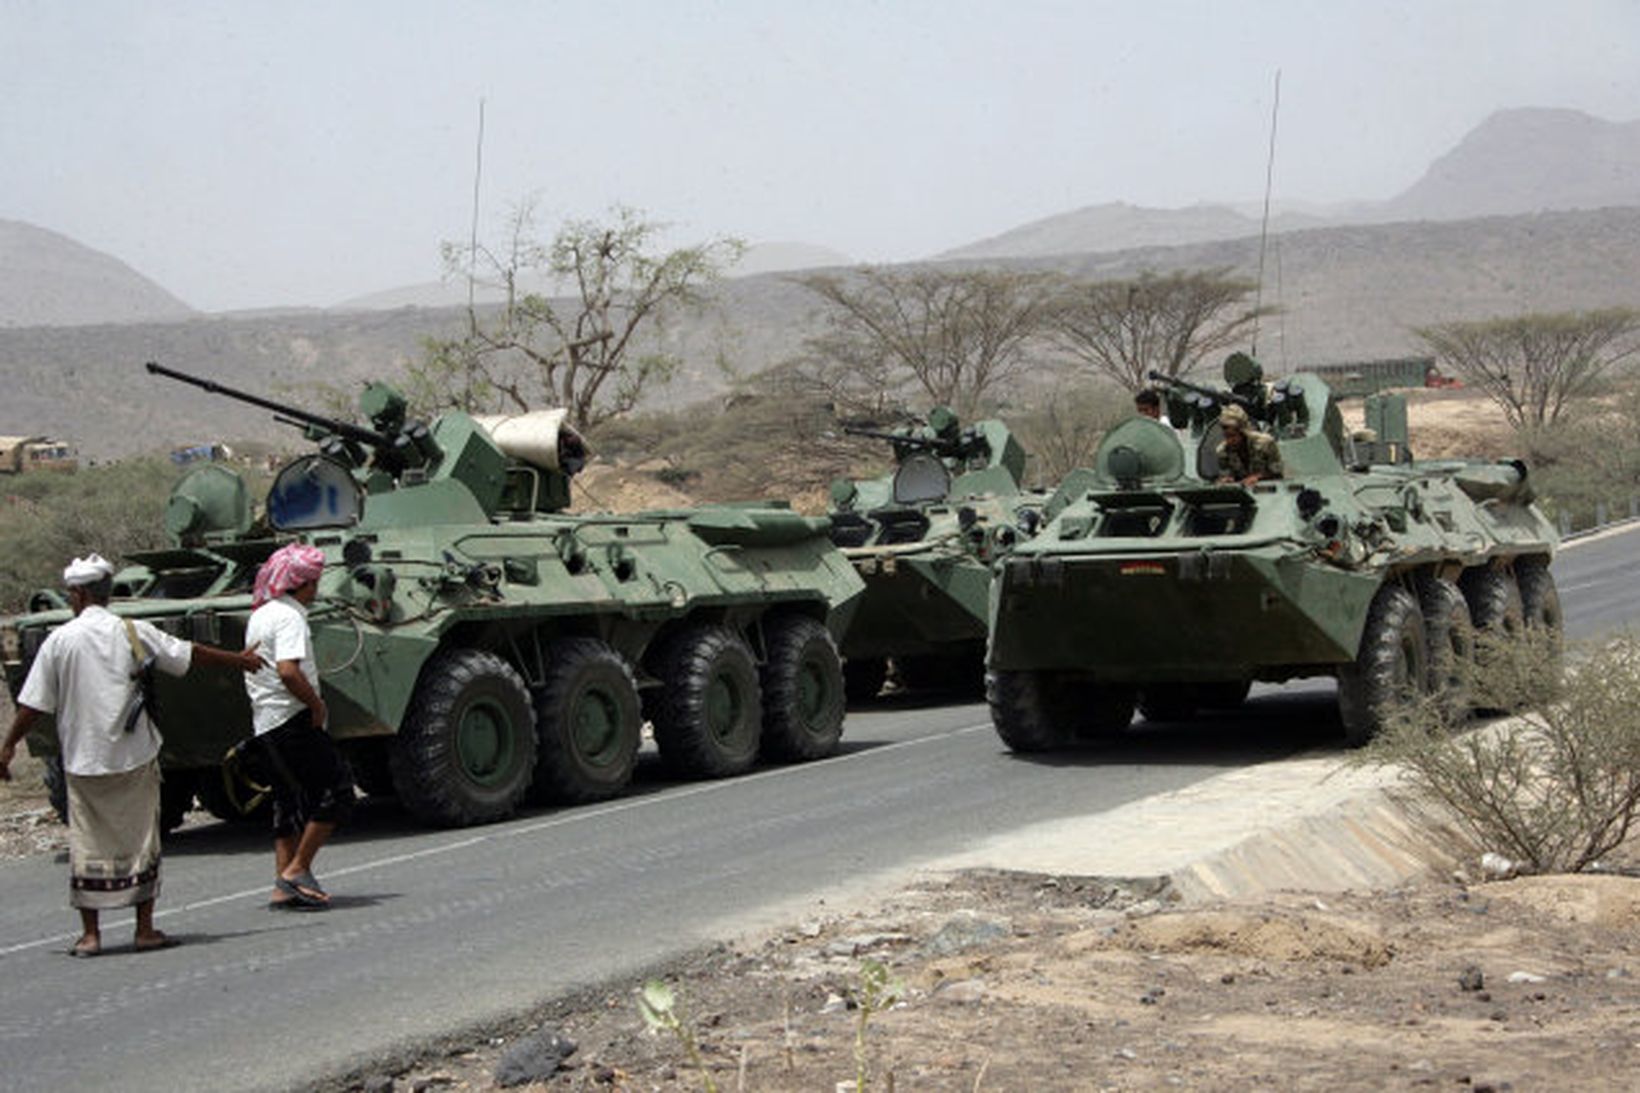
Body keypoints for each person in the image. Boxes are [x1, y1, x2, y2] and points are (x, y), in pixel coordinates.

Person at [0, 553, 262, 957]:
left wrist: (8, 745)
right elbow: (190, 654)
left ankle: (91, 936)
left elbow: (32, 705)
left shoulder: (60, 640)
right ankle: (144, 929)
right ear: (104, 593)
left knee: (89, 844)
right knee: (142, 840)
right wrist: (241, 661)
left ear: (78, 593)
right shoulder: (133, 632)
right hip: (134, 754)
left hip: (83, 759)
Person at [244, 542, 353, 911]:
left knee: (287, 801)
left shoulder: (260, 614)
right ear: (303, 585)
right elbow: (288, 670)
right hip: (292, 719)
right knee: (337, 791)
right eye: (314, 583)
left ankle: (282, 886)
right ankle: (297, 870)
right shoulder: (290, 617)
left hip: (266, 720)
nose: (317, 589)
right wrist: (316, 704)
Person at [1215, 404, 1283, 486]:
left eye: (1233, 435)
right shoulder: (1223, 451)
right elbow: (1226, 474)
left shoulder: (1265, 443)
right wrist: (1228, 479)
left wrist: (1258, 477)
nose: (1230, 441)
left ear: (1242, 432)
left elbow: (1277, 471)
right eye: (1226, 436)